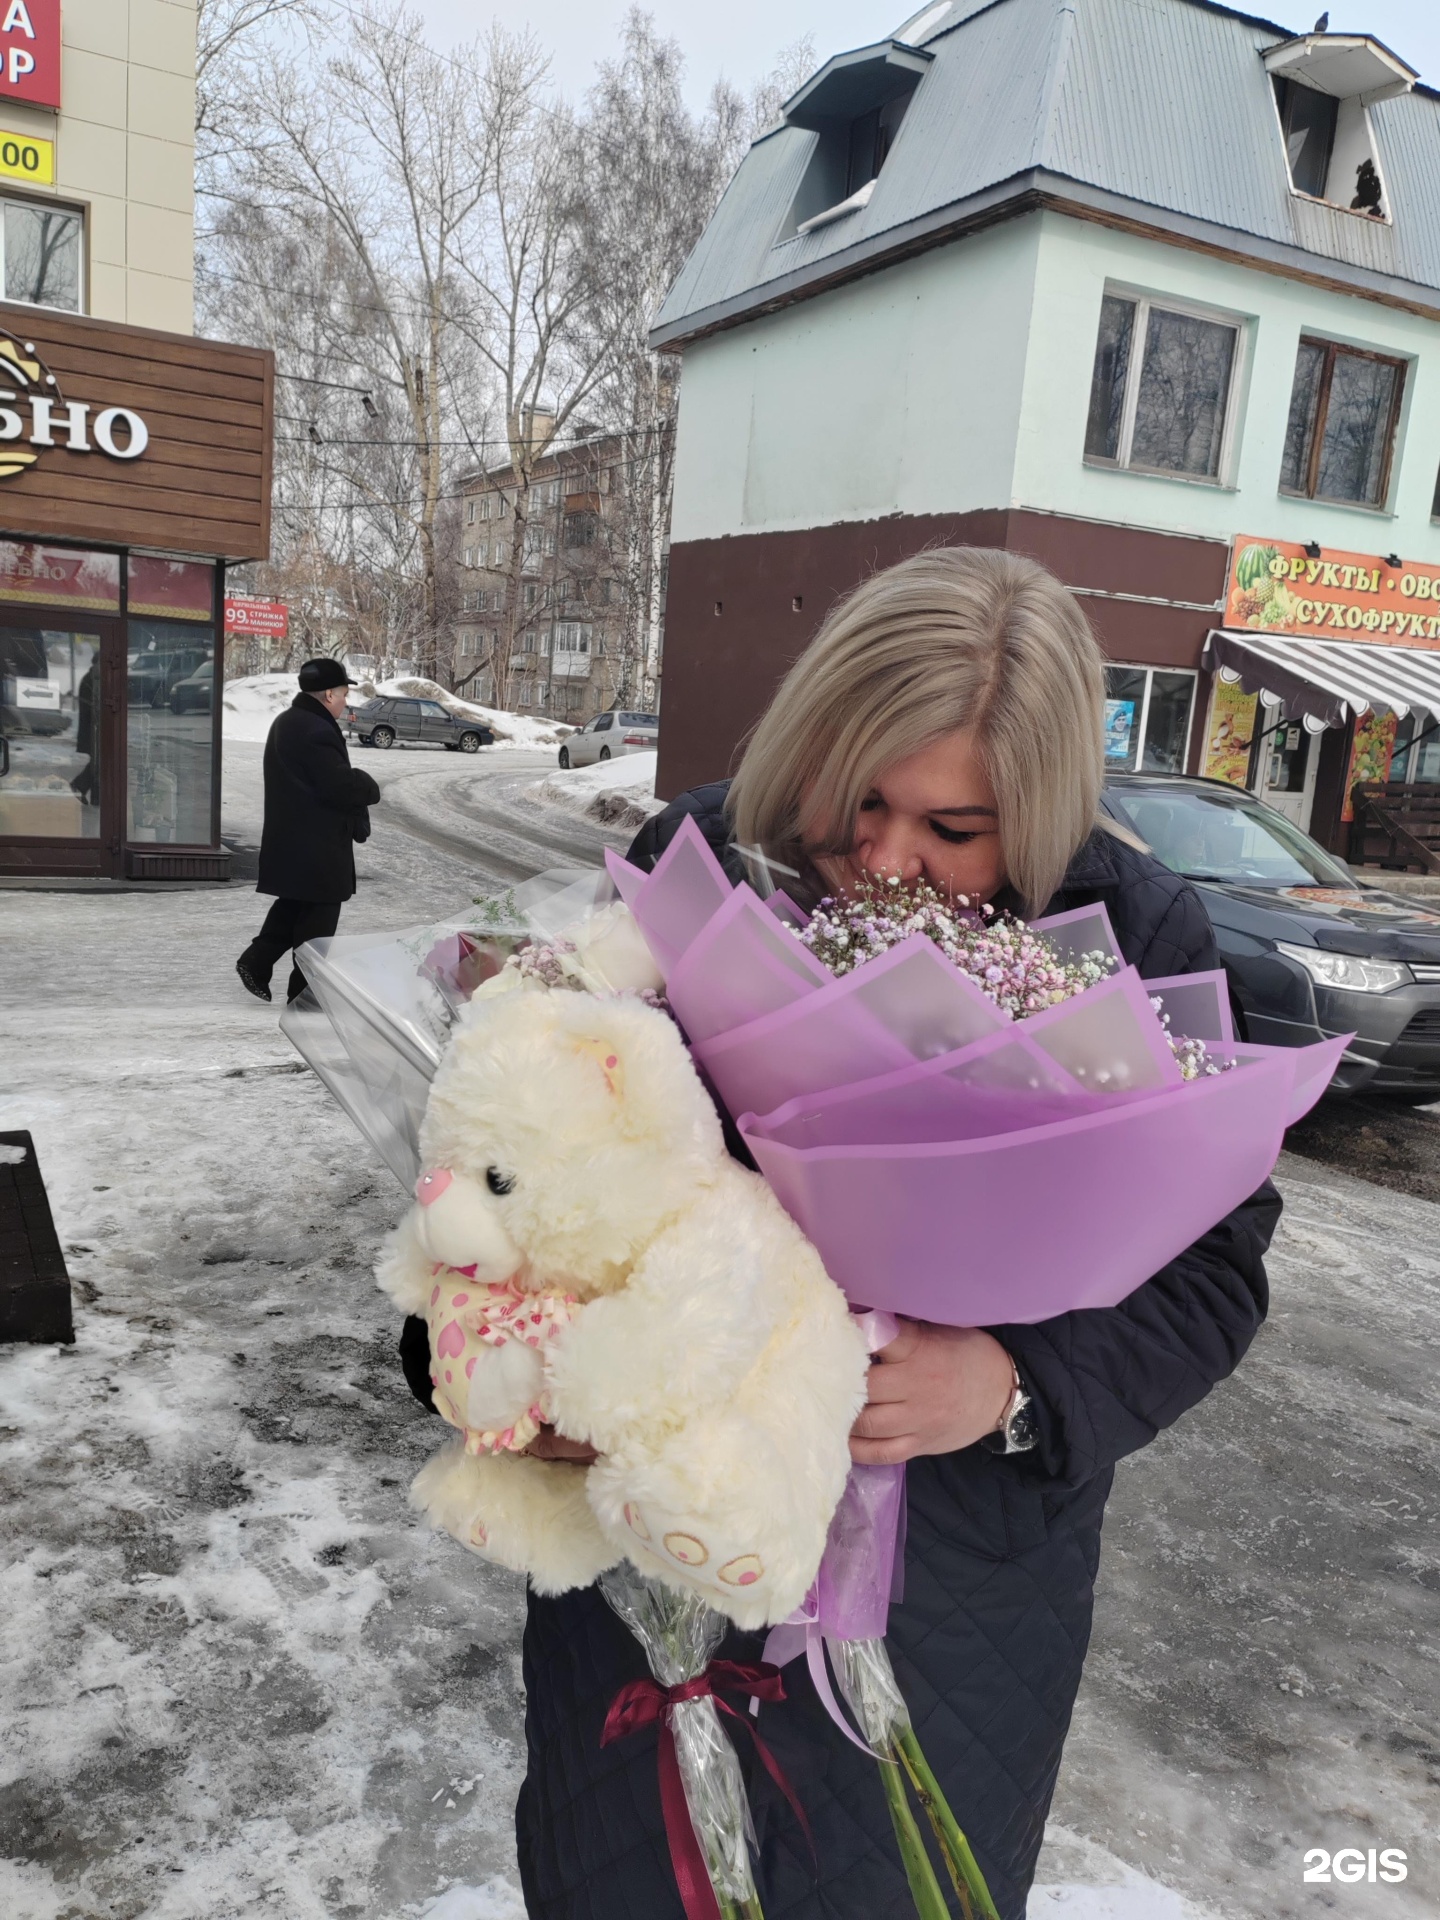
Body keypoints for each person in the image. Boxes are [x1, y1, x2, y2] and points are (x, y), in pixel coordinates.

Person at [400, 548, 1280, 1919]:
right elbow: (519, 1161)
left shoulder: (1129, 934)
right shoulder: (690, 872)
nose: (885, 860)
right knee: (624, 1875)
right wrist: (502, 1373)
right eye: (858, 797)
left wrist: (1020, 1385)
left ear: (1038, 814)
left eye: (956, 829)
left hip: (951, 1590)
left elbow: (1214, 1264)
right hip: (657, 1546)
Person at [236, 657, 381, 1005]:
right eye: (344, 693)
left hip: (296, 838)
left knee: (295, 906)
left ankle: (255, 962)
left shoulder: (290, 721)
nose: (346, 700)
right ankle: (305, 994)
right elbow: (337, 786)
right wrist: (366, 784)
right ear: (329, 693)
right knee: (318, 920)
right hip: (316, 844)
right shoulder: (314, 730)